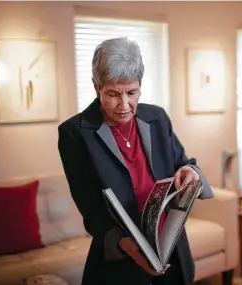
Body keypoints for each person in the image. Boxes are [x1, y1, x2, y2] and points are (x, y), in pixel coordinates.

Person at [57, 37, 214, 285]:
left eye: (132, 92)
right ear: (96, 86)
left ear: (140, 85)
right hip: (119, 261)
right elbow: (92, 212)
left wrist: (189, 172)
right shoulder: (75, 134)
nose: (124, 105)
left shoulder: (157, 117)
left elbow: (184, 162)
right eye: (112, 94)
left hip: (172, 250)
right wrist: (129, 247)